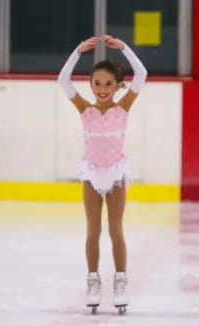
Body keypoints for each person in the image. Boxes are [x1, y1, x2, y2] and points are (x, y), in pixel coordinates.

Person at [57, 35, 147, 311]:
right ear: (91, 84)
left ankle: (120, 281)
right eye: (97, 83)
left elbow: (141, 74)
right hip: (92, 175)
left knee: (115, 229)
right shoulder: (85, 108)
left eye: (108, 84)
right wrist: (78, 50)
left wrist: (123, 47)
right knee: (93, 230)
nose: (102, 89)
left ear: (119, 86)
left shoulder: (124, 107)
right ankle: (93, 280)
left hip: (117, 174)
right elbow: (62, 80)